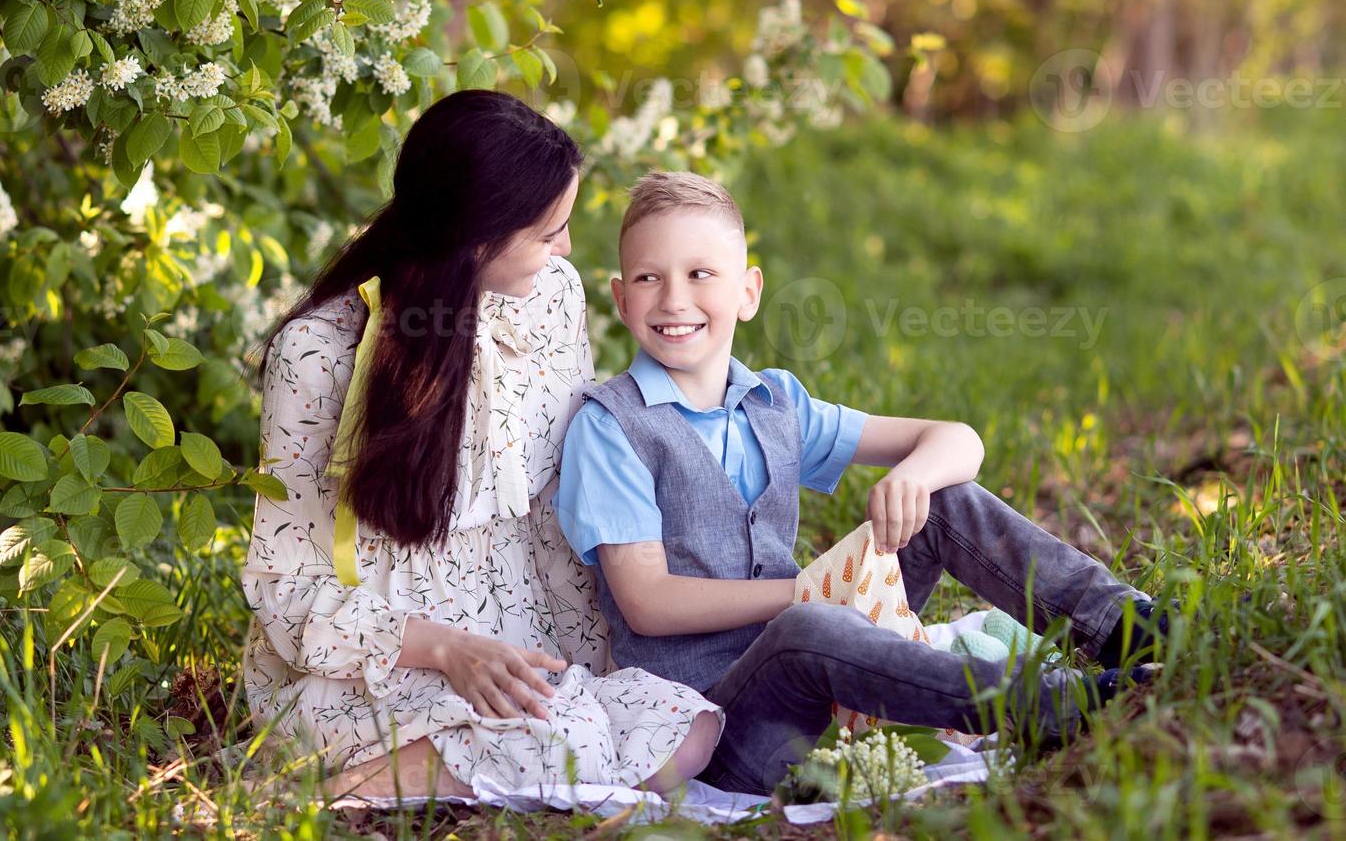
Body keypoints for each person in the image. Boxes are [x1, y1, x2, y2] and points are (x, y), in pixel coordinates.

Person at [553, 170, 1173, 795]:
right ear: (622, 299)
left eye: (700, 274)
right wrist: (807, 594)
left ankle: (1131, 629)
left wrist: (911, 478)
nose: (674, 299)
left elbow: (960, 440)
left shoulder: (775, 402)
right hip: (726, 728)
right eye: (648, 277)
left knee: (939, 498)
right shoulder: (611, 427)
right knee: (808, 628)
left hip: (838, 673)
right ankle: (1051, 706)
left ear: (748, 292)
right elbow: (647, 602)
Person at [241, 93, 721, 802]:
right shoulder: (319, 352)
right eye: (547, 232)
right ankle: (318, 787)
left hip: (522, 641)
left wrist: (594, 659)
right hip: (380, 661)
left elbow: (557, 499)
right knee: (561, 745)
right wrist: (449, 650)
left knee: (689, 724)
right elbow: (285, 590)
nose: (564, 250)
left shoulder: (550, 294)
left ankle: (501, 771)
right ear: (474, 238)